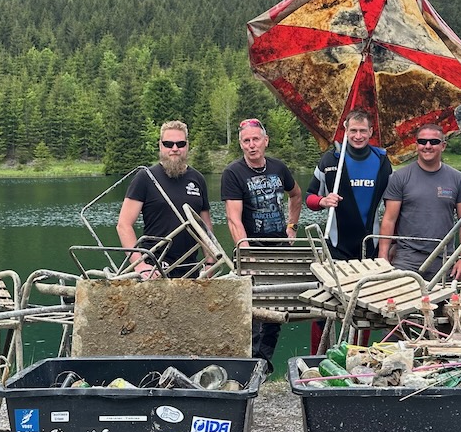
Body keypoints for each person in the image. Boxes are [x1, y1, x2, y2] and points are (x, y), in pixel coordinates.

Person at [221, 117, 302, 368]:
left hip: (279, 249)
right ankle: (248, 364)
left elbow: (296, 194)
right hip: (251, 250)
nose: (251, 145)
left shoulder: (279, 168)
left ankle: (264, 365)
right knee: (252, 311)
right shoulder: (233, 173)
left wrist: (292, 226)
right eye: (246, 141)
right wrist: (246, 254)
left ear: (266, 141)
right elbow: (233, 219)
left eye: (256, 139)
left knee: (275, 312)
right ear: (240, 144)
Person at [115, 120, 214, 279]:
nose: (174, 149)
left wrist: (209, 263)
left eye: (180, 144)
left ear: (187, 146)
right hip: (155, 268)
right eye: (169, 144)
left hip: (191, 268)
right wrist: (139, 265)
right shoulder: (145, 177)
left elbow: (205, 227)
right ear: (161, 146)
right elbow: (123, 225)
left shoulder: (198, 179)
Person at [378, 123, 461, 280]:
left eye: (434, 142)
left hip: (444, 259)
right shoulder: (400, 177)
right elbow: (389, 219)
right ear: (416, 145)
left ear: (443, 146)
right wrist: (383, 256)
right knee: (400, 303)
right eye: (422, 142)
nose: (427, 146)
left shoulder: (457, 179)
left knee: (448, 304)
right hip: (407, 259)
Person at [305, 109, 393, 261]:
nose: (358, 136)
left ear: (370, 131)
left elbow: (393, 208)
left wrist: (391, 244)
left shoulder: (382, 161)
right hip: (337, 247)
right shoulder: (331, 160)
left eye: (363, 131)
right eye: (353, 131)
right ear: (346, 130)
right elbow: (309, 198)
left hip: (371, 246)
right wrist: (322, 201)